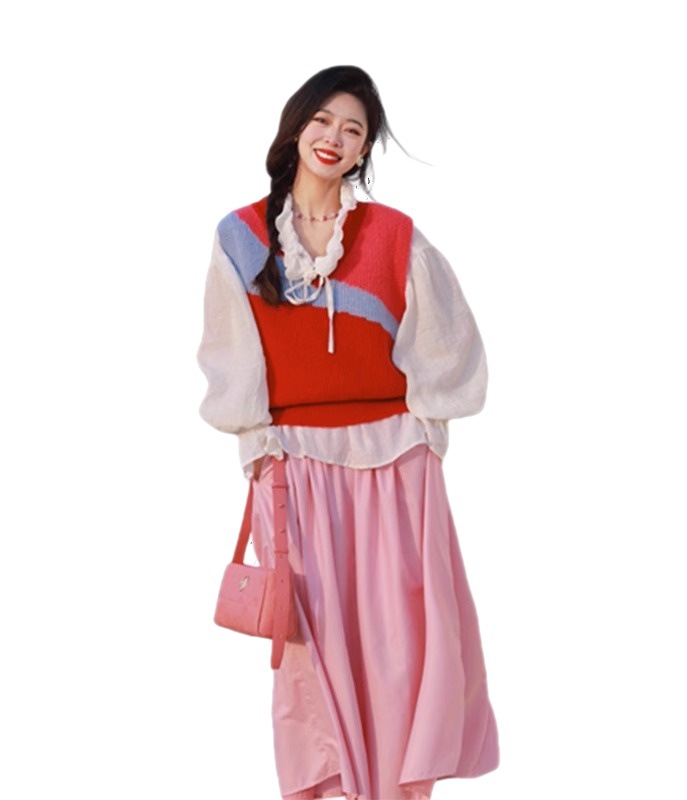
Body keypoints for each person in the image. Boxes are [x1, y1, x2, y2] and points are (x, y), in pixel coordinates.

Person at [198, 65, 499, 800]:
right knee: (315, 647)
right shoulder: (242, 237)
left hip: (395, 461)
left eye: (354, 129)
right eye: (323, 120)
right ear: (297, 127)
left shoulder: (393, 235)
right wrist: (259, 450)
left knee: (402, 643)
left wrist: (425, 432)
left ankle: (396, 789)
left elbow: (449, 346)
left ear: (365, 150)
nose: (335, 137)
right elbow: (232, 357)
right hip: (292, 465)